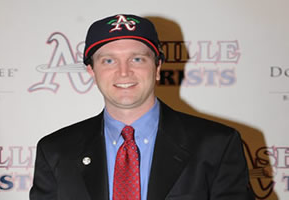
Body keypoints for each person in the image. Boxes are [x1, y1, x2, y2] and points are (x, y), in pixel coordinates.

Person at [30, 14, 255, 200]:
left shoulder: (217, 144)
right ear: (92, 71)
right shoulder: (55, 151)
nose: (124, 72)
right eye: (108, 60)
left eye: (137, 59)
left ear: (157, 68)